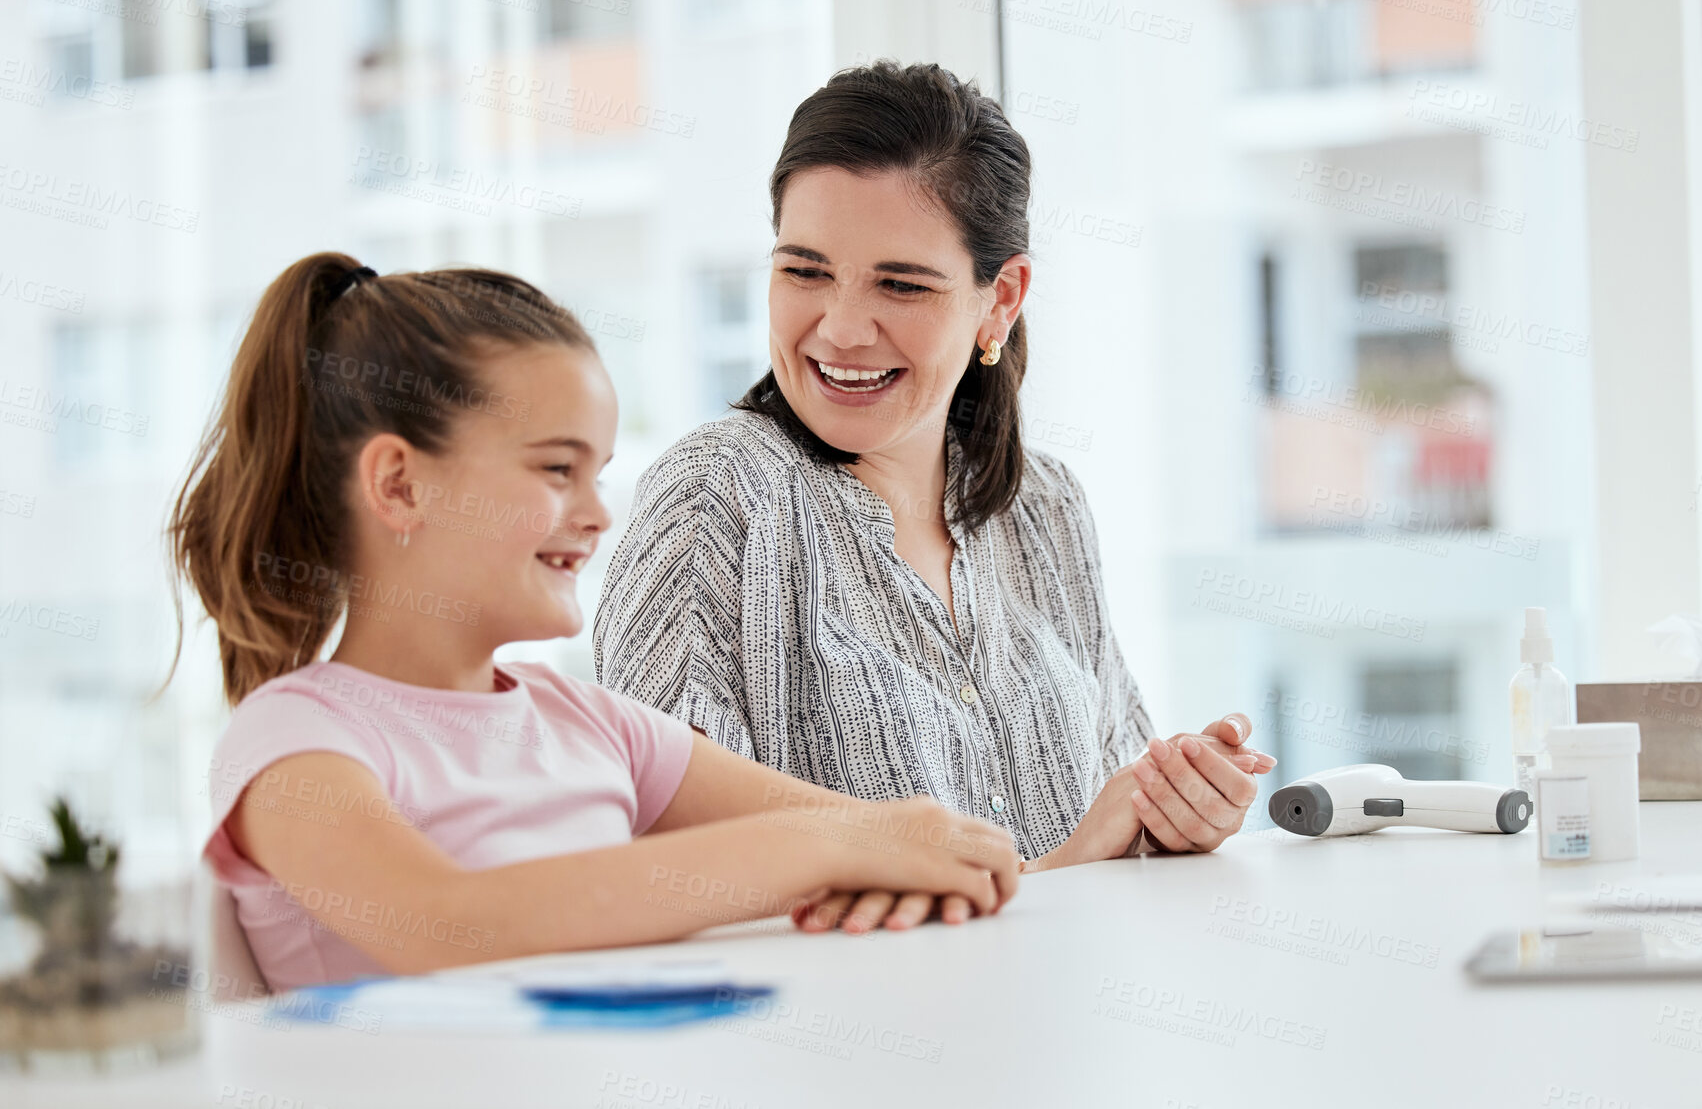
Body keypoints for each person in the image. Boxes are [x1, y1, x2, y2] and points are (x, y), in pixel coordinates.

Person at [166, 253, 1018, 990]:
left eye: (599, 473)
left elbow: (878, 835)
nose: (598, 515)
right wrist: (822, 851)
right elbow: (449, 925)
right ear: (399, 485)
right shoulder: (294, 739)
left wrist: (886, 851)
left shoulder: (589, 722)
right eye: (557, 469)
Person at [595, 62, 1274, 936]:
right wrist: (1058, 870)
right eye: (804, 271)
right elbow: (674, 866)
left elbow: (1117, 818)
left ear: (1002, 299)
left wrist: (1172, 815)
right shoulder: (714, 500)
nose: (839, 327)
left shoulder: (1047, 508)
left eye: (901, 284)